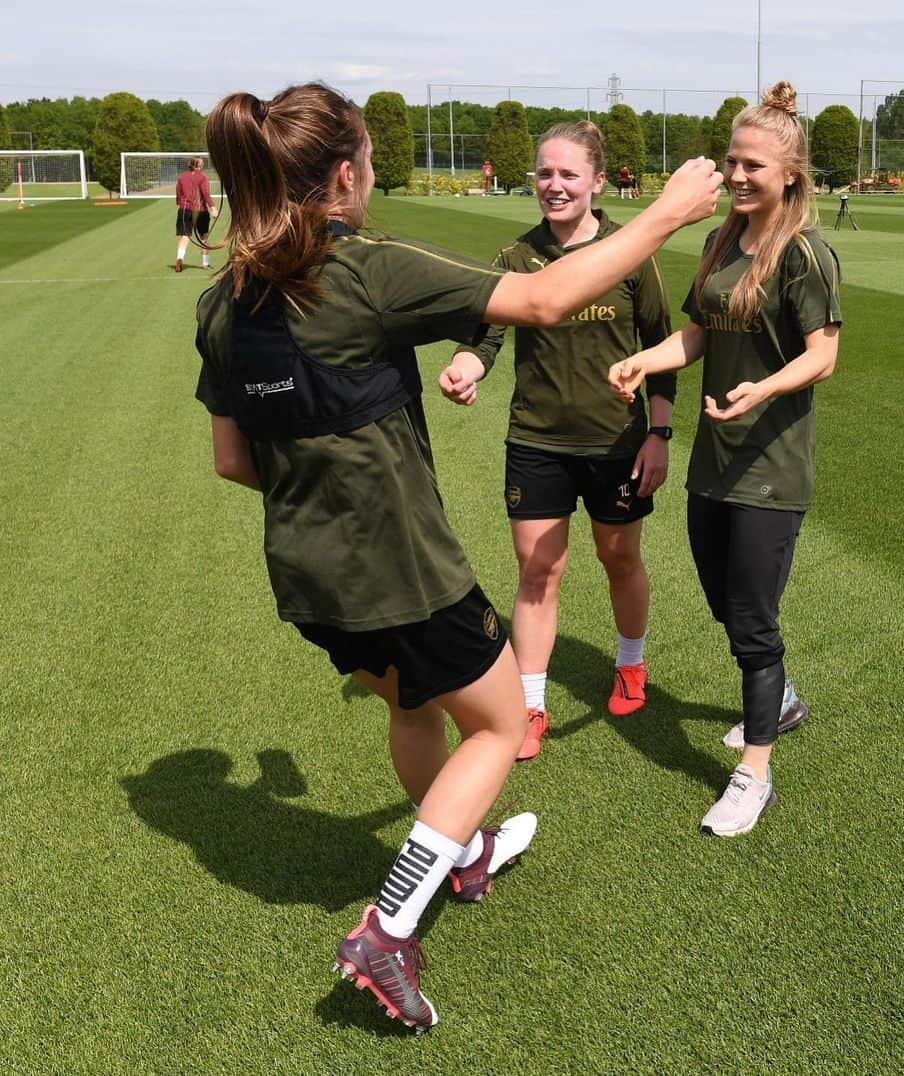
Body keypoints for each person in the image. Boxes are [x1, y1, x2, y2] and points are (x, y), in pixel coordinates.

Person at [195, 83, 721, 1030]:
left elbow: (235, 460)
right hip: (400, 564)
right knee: (492, 725)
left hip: (307, 576)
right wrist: (670, 212)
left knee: (408, 697)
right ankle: (389, 927)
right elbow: (545, 296)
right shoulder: (362, 266)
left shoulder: (221, 300)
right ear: (348, 173)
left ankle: (466, 855)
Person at [609, 81, 841, 838]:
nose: (738, 177)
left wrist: (762, 389)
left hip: (771, 464)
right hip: (715, 460)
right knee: (723, 598)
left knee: (749, 617)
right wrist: (645, 360)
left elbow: (824, 355)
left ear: (790, 178)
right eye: (732, 162)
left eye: (753, 168)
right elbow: (700, 334)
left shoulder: (804, 253)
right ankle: (777, 698)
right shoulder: (722, 242)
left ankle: (754, 775)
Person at [439, 121, 675, 762]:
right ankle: (532, 702)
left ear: (598, 181)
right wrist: (468, 366)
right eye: (545, 173)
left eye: (569, 174)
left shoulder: (630, 255)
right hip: (537, 441)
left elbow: (661, 347)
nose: (555, 185)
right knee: (538, 571)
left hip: (617, 443)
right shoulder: (516, 258)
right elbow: (484, 334)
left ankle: (630, 663)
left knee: (618, 559)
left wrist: (658, 434)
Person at [175, 157, 216, 272]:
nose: (202, 166)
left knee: (185, 236)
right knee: (204, 237)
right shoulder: (202, 177)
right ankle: (205, 263)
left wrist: (179, 203)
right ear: (198, 166)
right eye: (201, 164)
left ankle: (179, 258)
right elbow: (206, 194)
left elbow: (178, 192)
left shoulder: (182, 176)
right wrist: (213, 208)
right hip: (200, 210)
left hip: (184, 209)